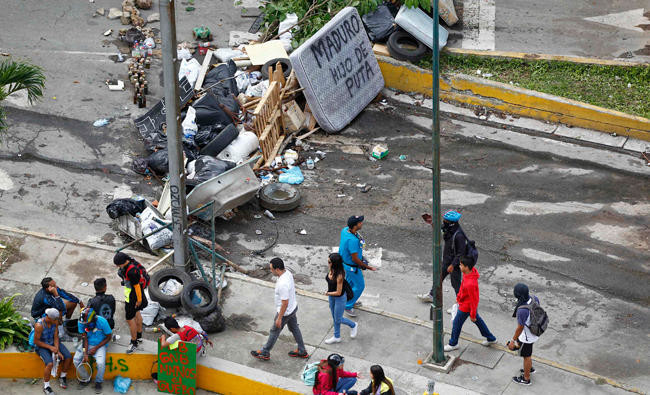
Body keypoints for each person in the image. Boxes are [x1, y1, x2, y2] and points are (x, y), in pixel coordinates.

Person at [251, 258, 309, 361]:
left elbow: (285, 303)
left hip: (285, 312)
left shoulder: (282, 284)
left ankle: (265, 352)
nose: (271, 271)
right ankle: (302, 350)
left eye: (271, 269)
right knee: (295, 328)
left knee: (274, 331)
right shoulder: (287, 273)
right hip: (293, 308)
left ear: (277, 269)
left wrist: (279, 318)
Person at [443, 256, 496, 351]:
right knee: (478, 321)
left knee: (456, 324)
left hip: (466, 307)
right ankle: (491, 338)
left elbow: (474, 300)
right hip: (465, 304)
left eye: (461, 265)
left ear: (466, 267)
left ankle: (453, 343)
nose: (459, 266)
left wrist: (472, 314)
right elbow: (462, 286)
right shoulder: (468, 273)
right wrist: (458, 297)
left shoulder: (470, 283)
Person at [417, 210, 468, 307]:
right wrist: (431, 222)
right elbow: (440, 230)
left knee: (456, 284)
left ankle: (461, 304)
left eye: (445, 220)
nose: (444, 221)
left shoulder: (459, 235)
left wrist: (453, 265)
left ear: (451, 222)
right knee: (438, 278)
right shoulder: (449, 228)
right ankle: (432, 295)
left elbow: (461, 254)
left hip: (455, 264)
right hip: (446, 261)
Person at [339, 215, 377, 317]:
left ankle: (349, 300)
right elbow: (355, 259)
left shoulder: (345, 230)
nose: (362, 223)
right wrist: (367, 266)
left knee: (350, 285)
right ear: (355, 226)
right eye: (360, 222)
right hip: (352, 267)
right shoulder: (353, 241)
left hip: (346, 264)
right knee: (360, 286)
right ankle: (348, 306)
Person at [113, 252, 149, 354]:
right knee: (137, 313)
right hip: (136, 294)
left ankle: (134, 342)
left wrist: (139, 300)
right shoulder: (132, 262)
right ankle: (139, 336)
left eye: (118, 265)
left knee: (129, 319)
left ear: (123, 262)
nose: (117, 267)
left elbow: (136, 286)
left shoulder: (131, 272)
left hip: (133, 297)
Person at [33, 308, 72, 395]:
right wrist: (51, 348)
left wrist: (57, 350)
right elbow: (36, 341)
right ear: (49, 318)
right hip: (41, 346)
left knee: (68, 357)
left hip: (52, 343)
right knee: (49, 364)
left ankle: (62, 377)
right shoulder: (39, 325)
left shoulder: (55, 322)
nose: (57, 321)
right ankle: (46, 386)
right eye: (56, 319)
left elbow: (56, 337)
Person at [73, 307, 111, 393]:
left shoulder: (102, 322)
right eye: (84, 324)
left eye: (88, 324)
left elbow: (109, 337)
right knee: (76, 360)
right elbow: (84, 338)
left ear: (94, 320)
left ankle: (98, 382)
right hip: (87, 343)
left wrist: (96, 348)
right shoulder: (81, 322)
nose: (85, 326)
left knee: (101, 363)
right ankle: (86, 378)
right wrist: (85, 353)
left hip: (100, 344)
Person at [508, 283, 539, 386]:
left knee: (526, 356)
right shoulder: (535, 298)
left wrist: (513, 340)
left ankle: (526, 378)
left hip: (527, 337)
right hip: (535, 331)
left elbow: (520, 328)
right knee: (527, 353)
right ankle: (529, 368)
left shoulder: (522, 310)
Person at [324, 253, 358, 344]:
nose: (328, 263)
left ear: (334, 263)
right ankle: (337, 336)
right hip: (332, 297)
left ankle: (353, 325)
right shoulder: (332, 268)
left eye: (329, 262)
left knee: (338, 319)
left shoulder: (339, 275)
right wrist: (330, 294)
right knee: (335, 318)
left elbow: (338, 292)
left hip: (339, 298)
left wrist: (327, 293)